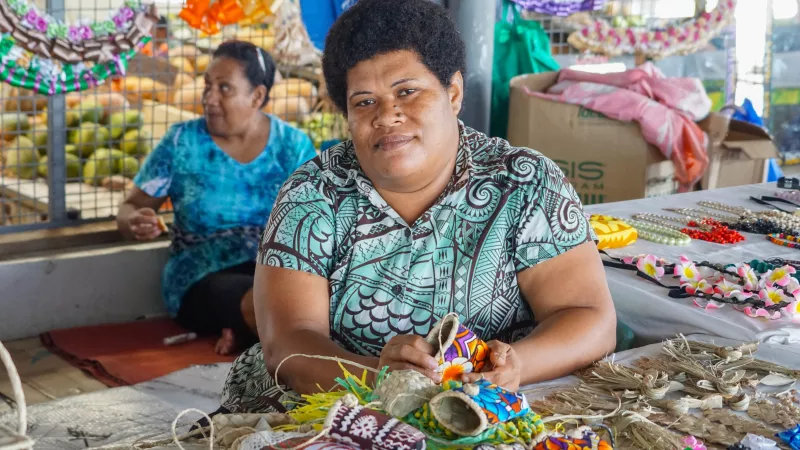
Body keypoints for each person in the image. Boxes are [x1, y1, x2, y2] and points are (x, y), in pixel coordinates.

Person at [218, 0, 616, 414]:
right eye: (364, 102)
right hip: (329, 410)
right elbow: (288, 344)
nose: (388, 116)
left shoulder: (523, 183)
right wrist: (378, 378)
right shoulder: (312, 195)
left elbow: (590, 318)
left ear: (454, 92)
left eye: (407, 92)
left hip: (485, 412)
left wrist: (518, 365)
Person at [116, 41, 317, 355]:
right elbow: (131, 207)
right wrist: (134, 221)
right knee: (264, 300)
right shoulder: (182, 142)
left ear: (257, 96)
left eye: (225, 88)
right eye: (207, 86)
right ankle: (258, 335)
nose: (209, 99)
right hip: (200, 274)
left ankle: (248, 334)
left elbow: (313, 223)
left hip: (272, 268)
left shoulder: (293, 147)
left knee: (298, 295)